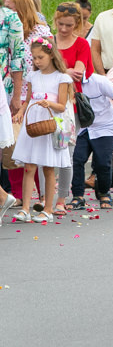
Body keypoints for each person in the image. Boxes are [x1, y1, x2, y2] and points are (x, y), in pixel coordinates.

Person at [11, 38, 73, 223]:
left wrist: (49, 103)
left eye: (40, 57)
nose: (37, 61)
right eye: (34, 58)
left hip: (49, 124)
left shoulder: (62, 78)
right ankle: (25, 209)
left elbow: (62, 106)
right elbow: (28, 99)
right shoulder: (33, 76)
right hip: (33, 123)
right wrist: (21, 112)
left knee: (48, 167)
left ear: (51, 55)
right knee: (29, 167)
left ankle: (48, 208)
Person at [69, 71, 113, 210]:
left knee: (102, 162)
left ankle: (104, 193)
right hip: (81, 128)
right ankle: (78, 196)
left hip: (104, 126)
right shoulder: (65, 82)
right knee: (77, 159)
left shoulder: (99, 81)